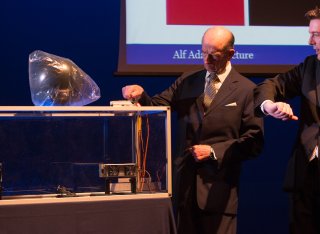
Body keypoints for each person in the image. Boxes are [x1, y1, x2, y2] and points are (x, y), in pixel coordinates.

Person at [122, 26, 264, 234]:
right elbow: (157, 105)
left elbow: (254, 142)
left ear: (230, 54)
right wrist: (141, 95)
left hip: (219, 192)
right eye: (203, 52)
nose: (206, 60)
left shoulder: (247, 90)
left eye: (214, 55)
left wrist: (214, 151)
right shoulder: (188, 81)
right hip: (184, 189)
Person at [254, 6, 320, 234]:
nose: (310, 41)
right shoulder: (310, 67)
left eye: (317, 34)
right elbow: (270, 85)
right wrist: (270, 105)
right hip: (307, 175)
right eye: (310, 33)